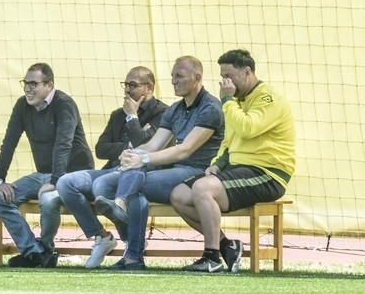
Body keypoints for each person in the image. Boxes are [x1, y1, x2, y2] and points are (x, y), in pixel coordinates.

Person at [170, 49, 296, 272]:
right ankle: (227, 245)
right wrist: (217, 164)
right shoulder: (238, 101)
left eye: (229, 76)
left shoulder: (268, 98)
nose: (225, 82)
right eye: (222, 77)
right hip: (240, 170)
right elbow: (230, 141)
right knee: (179, 195)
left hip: (268, 173)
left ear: (247, 72)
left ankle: (212, 258)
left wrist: (227, 100)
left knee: (202, 189)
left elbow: (247, 129)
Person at [105, 55, 225, 271]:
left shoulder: (211, 108)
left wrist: (142, 159)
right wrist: (132, 154)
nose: (173, 81)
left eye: (179, 76)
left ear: (197, 77)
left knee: (134, 183)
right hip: (173, 170)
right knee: (135, 185)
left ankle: (121, 213)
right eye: (172, 76)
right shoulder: (175, 109)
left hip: (196, 173)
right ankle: (132, 256)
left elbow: (184, 150)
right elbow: (154, 145)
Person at [57, 66, 168, 268]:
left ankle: (130, 239)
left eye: (132, 85)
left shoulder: (164, 114)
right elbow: (101, 149)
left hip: (141, 172)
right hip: (112, 169)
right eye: (125, 85)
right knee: (65, 182)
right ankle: (102, 236)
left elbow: (147, 148)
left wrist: (132, 117)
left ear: (149, 87)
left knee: (101, 186)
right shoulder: (118, 114)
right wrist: (127, 147)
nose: (127, 90)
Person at [0, 63, 94, 267]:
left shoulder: (65, 104)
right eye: (25, 83)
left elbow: (63, 144)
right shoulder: (22, 105)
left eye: (33, 84)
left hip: (74, 176)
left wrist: (56, 180)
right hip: (44, 174)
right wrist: (0, 179)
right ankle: (35, 252)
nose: (28, 88)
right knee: (0, 199)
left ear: (49, 85)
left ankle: (46, 247)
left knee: (47, 199)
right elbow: (9, 142)